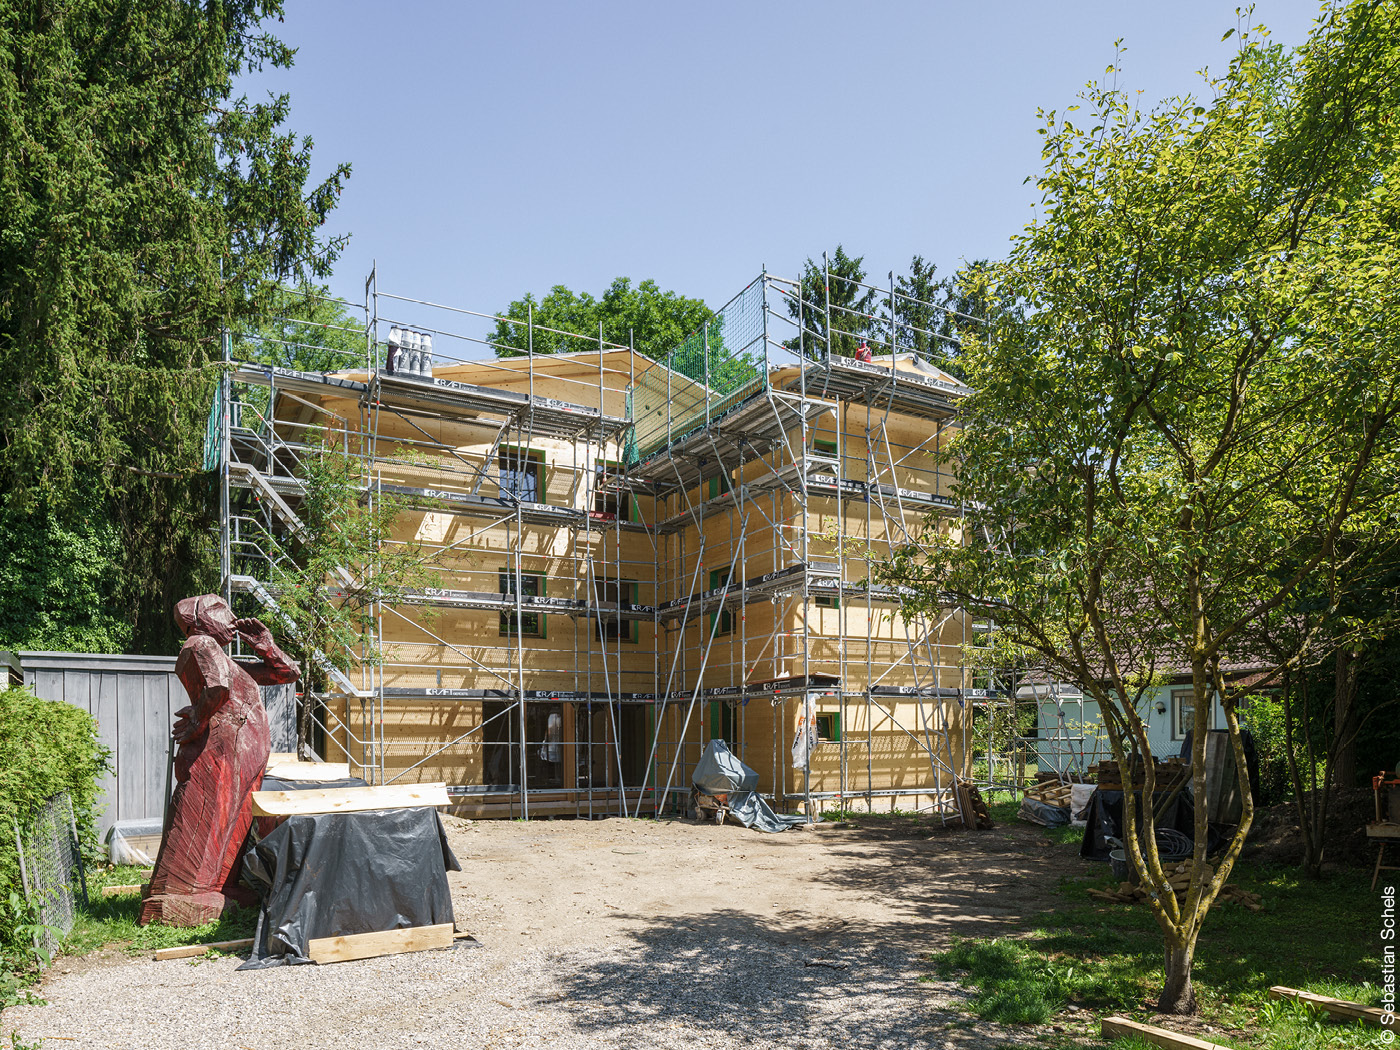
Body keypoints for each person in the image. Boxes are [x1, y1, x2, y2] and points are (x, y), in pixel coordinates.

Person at [140, 595, 298, 926]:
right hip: (219, 753)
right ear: (196, 622)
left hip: (243, 756)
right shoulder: (200, 643)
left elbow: (287, 674)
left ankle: (221, 885)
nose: (230, 617)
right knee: (205, 818)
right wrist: (198, 718)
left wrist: (265, 646)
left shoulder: (231, 663)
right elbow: (217, 689)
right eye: (219, 611)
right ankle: (180, 894)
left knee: (234, 826)